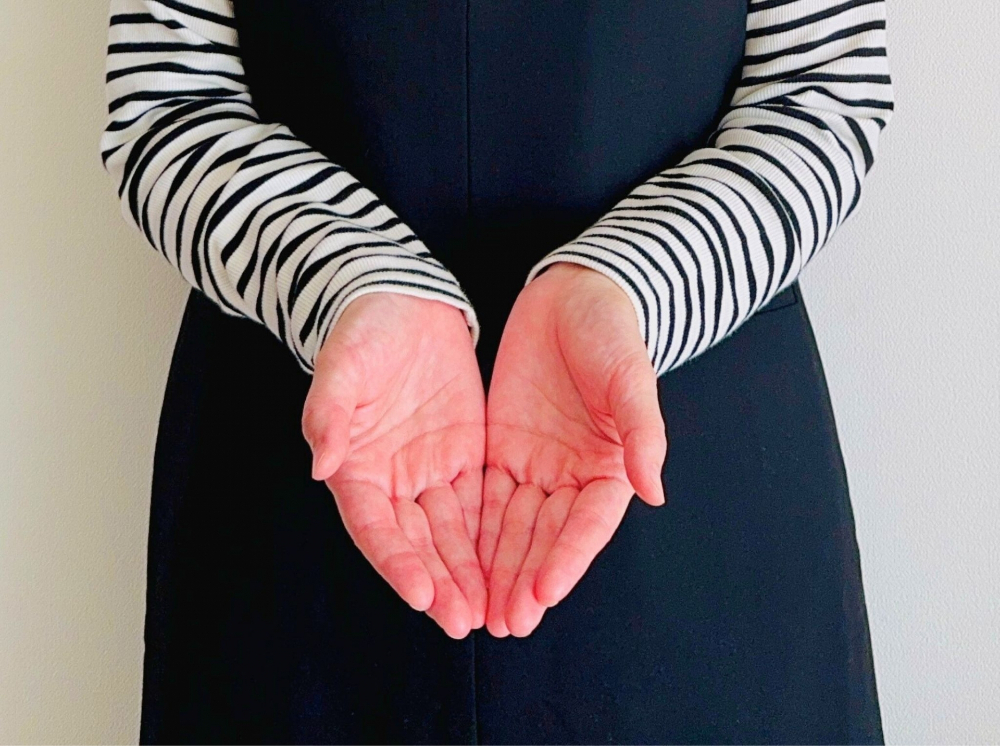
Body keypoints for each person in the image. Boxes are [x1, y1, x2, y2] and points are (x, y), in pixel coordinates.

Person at [99, 0, 895, 742]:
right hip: (313, 451)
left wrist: (633, 283)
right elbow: (168, 102)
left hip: (677, 462)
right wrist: (347, 278)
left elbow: (822, 94)